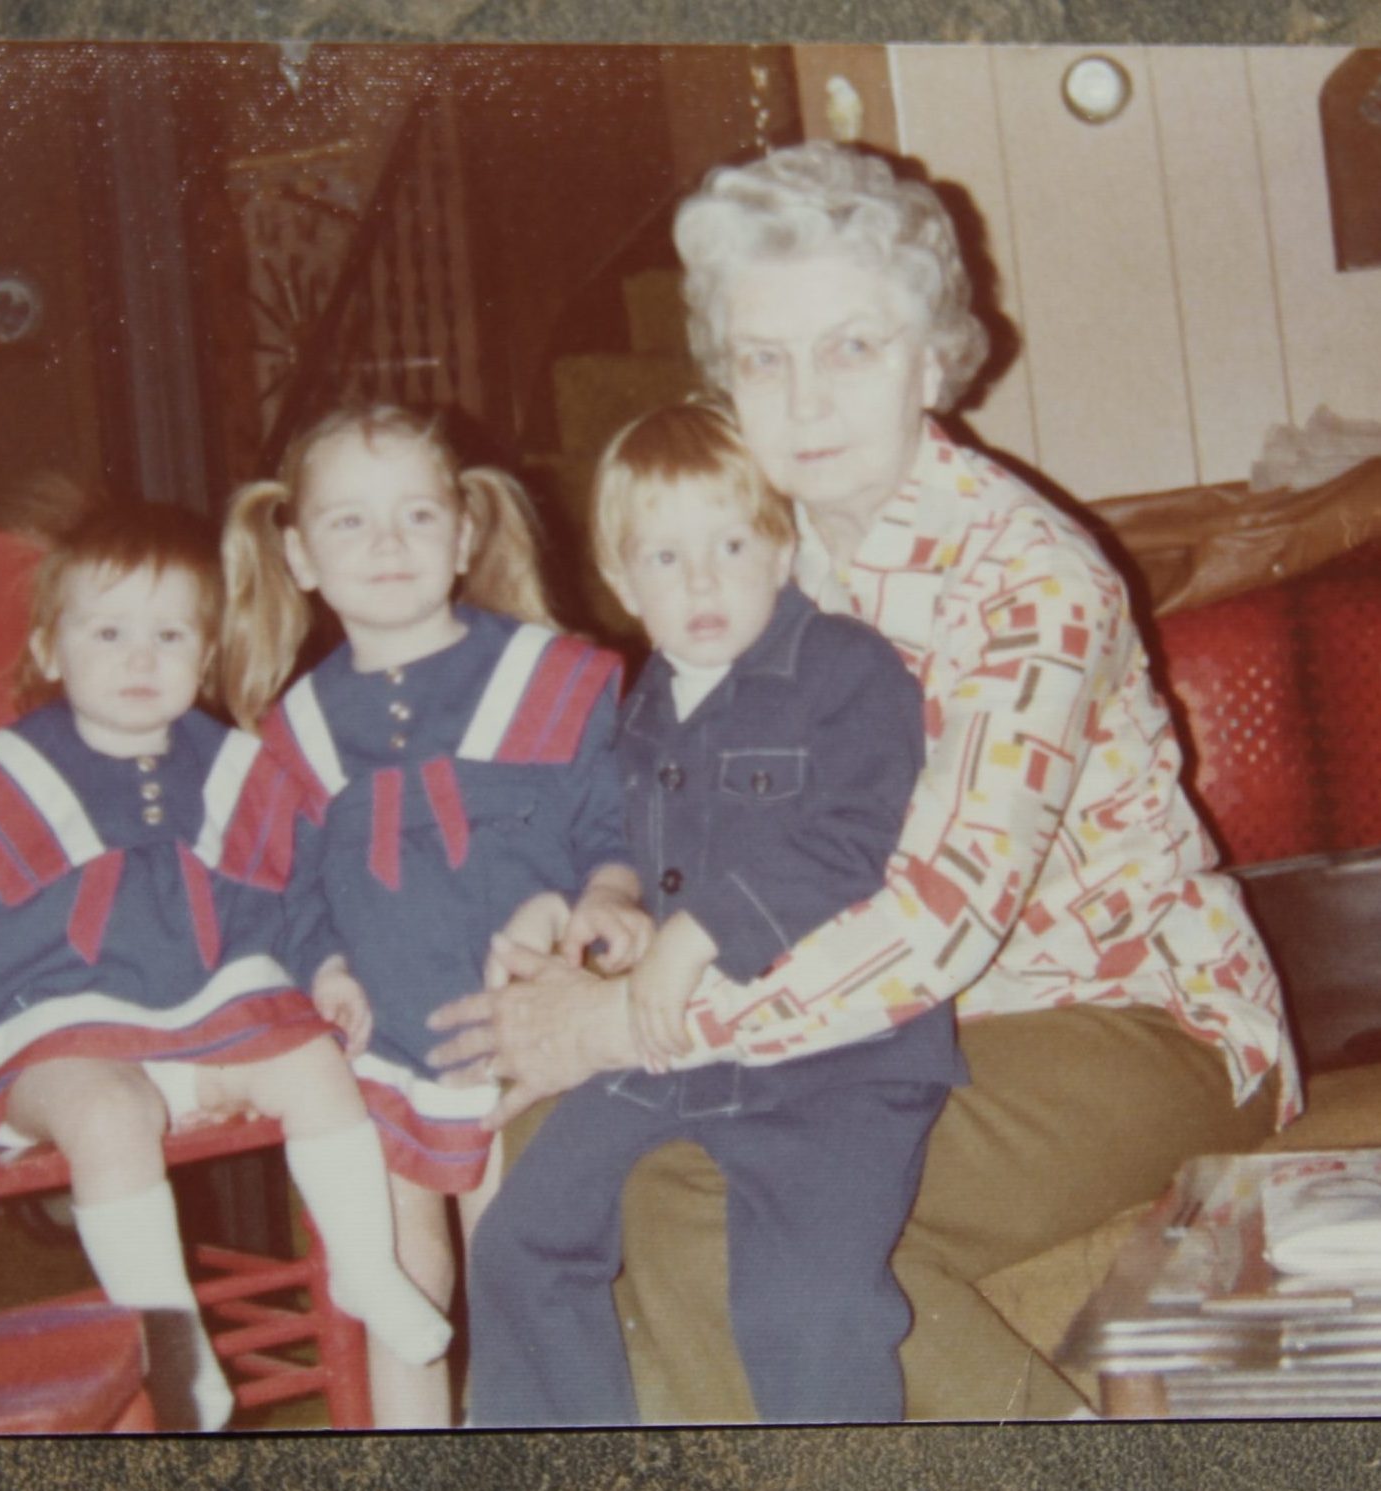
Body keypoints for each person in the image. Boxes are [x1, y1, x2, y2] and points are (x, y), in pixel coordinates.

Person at [426, 141, 1300, 1421]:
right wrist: (608, 921)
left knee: (709, 1216)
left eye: (854, 349)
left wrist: (627, 1027)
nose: (809, 401)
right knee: (565, 1169)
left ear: (934, 360)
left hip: (1125, 1019)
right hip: (870, 1034)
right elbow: (710, 827)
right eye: (765, 361)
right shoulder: (751, 570)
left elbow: (935, 918)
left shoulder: (1030, 584)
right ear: (723, 379)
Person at [468, 401, 962, 1426]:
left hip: (841, 1063)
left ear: (780, 545)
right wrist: (620, 908)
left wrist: (696, 936)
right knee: (519, 1245)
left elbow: (857, 838)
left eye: (730, 544)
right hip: (677, 1051)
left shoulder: (845, 669)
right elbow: (647, 862)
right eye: (663, 556)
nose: (700, 582)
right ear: (619, 579)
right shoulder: (645, 703)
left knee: (803, 1305)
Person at [0, 501, 448, 1433]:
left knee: (314, 1064)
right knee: (111, 1113)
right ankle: (168, 1339)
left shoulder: (234, 772)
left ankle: (368, 1265)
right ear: (50, 648)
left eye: (169, 635)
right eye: (109, 631)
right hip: (51, 1026)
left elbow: (294, 896)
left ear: (203, 658)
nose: (139, 658)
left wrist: (324, 967)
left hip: (205, 1010)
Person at [221, 404, 646, 1428]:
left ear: (464, 535)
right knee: (398, 1286)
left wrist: (609, 894)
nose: (388, 546)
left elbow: (622, 819)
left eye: (416, 516)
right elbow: (287, 891)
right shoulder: (296, 732)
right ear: (300, 554)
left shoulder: (554, 677)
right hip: (387, 1051)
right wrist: (322, 967)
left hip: (520, 1043)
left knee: (518, 1271)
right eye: (351, 524)